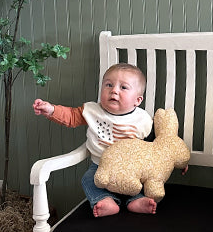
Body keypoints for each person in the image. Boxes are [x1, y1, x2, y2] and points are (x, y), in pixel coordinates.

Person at [33, 63, 157, 217]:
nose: (114, 90)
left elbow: (154, 146)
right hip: (99, 166)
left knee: (140, 183)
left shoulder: (143, 119)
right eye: (109, 85)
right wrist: (51, 110)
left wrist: (175, 161)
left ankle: (137, 200)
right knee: (88, 179)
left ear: (137, 100)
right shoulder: (93, 111)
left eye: (123, 87)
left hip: (131, 168)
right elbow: (71, 116)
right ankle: (104, 200)